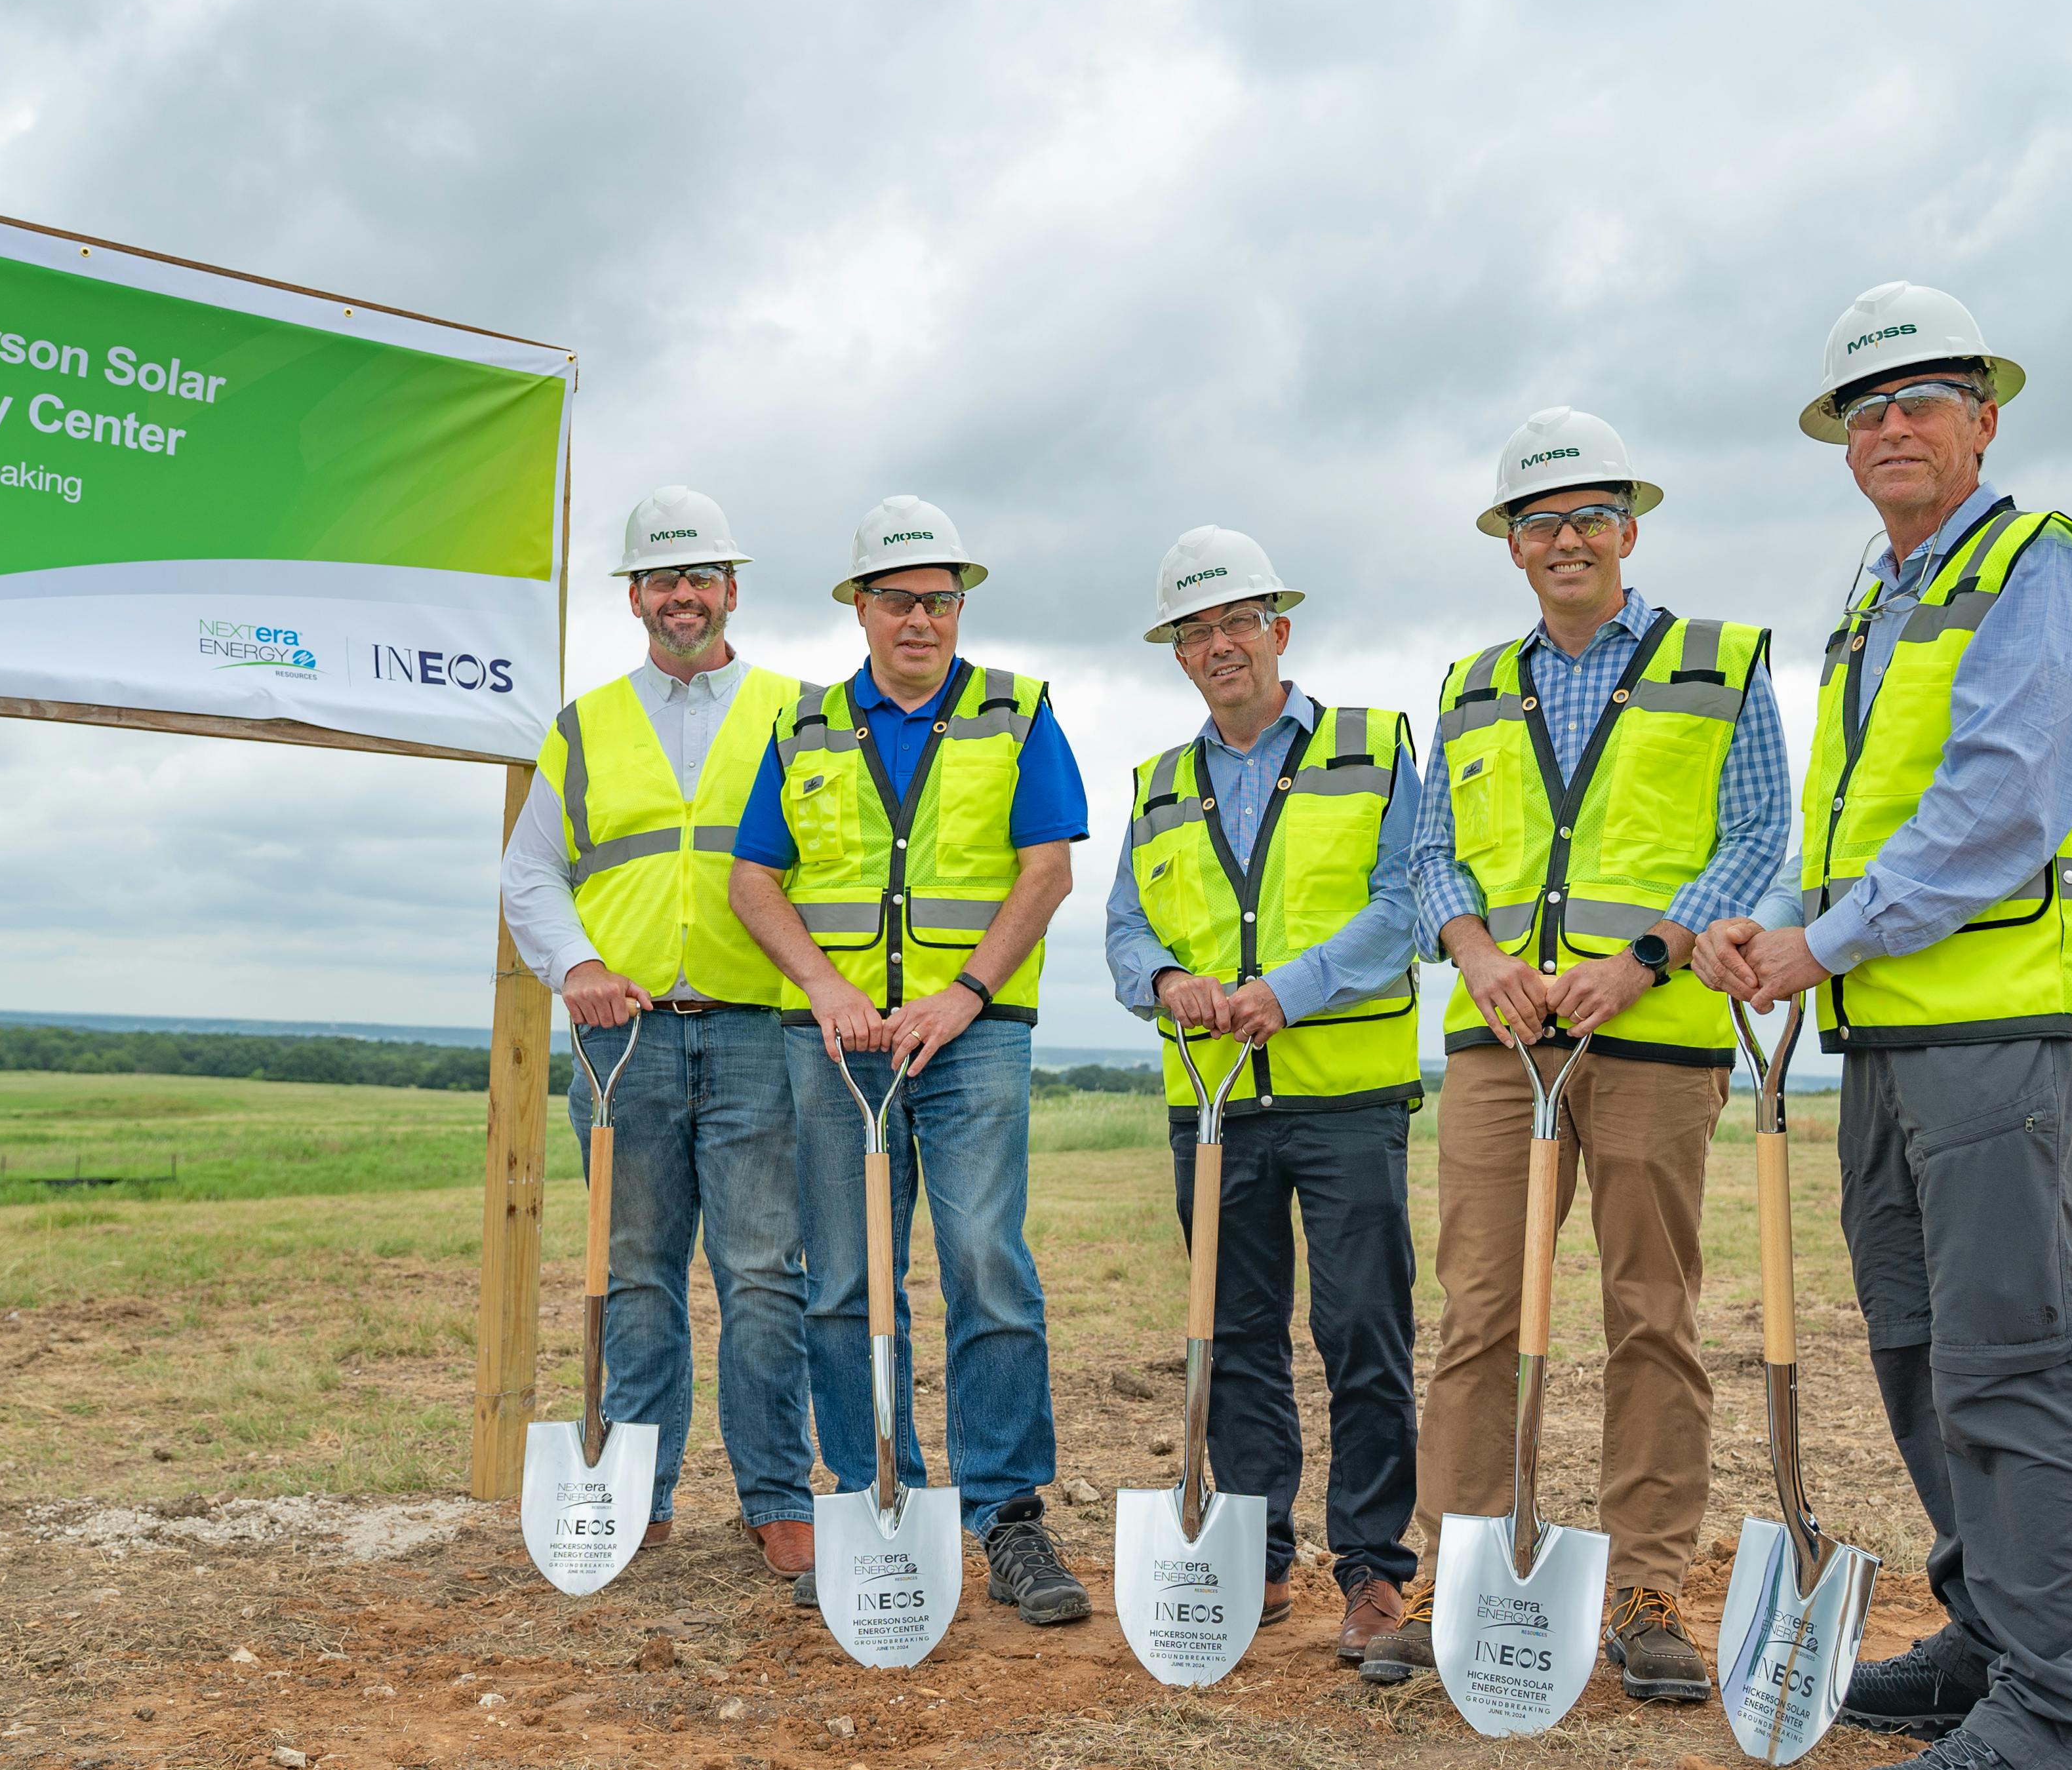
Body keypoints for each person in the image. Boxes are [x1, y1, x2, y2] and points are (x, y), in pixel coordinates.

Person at [1693, 283, 2072, 1770]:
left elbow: (2002, 802)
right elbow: (1858, 825)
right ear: (1840, 444)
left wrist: (1819, 941)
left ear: (1983, 421)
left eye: (1922, 400)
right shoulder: (1870, 600)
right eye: (1864, 410)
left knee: (2016, 1364)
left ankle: (2057, 1714)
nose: (1892, 426)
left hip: (2006, 1027)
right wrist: (1770, 926)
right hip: (1889, 1041)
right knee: (1922, 1356)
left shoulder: (2033, 561)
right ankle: (1991, 1634)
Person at [1367, 408, 1789, 1702]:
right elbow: (1428, 850)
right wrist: (1478, 958)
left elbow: (1757, 828)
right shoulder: (1469, 684)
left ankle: (1648, 1588)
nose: (1564, 539)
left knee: (1647, 1312)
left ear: (1629, 529)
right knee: (1479, 1311)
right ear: (1508, 545)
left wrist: (1642, 961)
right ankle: (1455, 1564)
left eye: (1587, 516)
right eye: (1536, 521)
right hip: (1500, 1048)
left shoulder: (1718, 664)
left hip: (1649, 1041)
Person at [728, 494, 1095, 1624]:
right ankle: (878, 1500)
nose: (920, 620)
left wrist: (965, 991)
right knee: (843, 1283)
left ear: (960, 605)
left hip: (972, 1039)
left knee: (986, 1263)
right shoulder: (805, 727)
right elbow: (755, 880)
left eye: (940, 599)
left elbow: (1047, 871)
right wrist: (826, 989)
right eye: (898, 600)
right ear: (860, 609)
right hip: (836, 1049)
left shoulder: (1019, 711)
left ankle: (1008, 1518)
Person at [1103, 526, 1427, 1662]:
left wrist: (1291, 989)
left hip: (1348, 1096)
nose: (1219, 644)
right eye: (1196, 631)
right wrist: (1170, 982)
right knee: (1231, 1334)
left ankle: (1377, 1574)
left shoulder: (1376, 745)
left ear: (1279, 630)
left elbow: (1405, 903)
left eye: (1238, 622)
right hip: (1214, 1102)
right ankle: (1255, 1555)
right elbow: (1124, 928)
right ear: (1179, 656)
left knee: (1362, 1333)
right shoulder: (1157, 784)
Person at [500, 485, 816, 1582]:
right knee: (635, 1273)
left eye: (700, 577)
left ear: (731, 590)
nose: (682, 596)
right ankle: (637, 1493)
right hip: (621, 1040)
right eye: (662, 579)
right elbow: (531, 872)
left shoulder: (804, 711)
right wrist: (575, 966)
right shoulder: (583, 726)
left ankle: (779, 1498)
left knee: (767, 1273)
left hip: (761, 1036)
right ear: (635, 596)